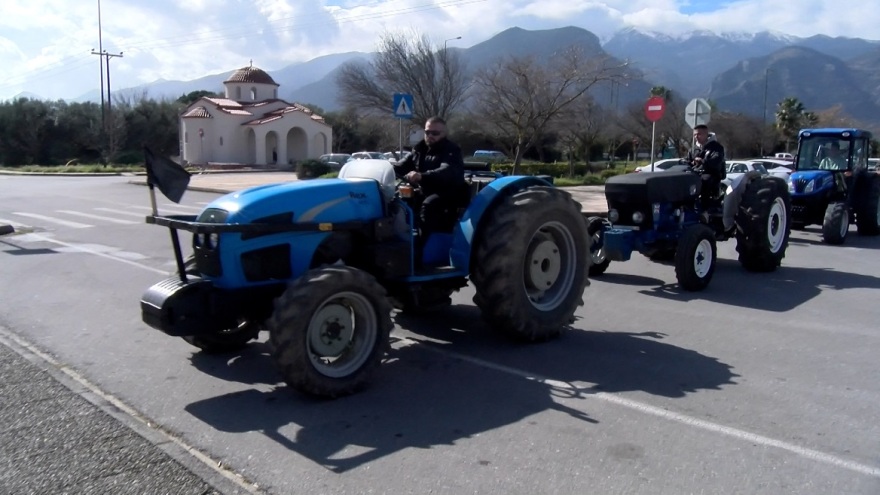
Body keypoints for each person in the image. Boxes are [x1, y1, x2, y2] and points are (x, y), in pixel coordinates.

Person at [394, 116, 466, 235]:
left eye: (435, 133)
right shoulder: (419, 149)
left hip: (448, 192)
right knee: (396, 201)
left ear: (444, 133)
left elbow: (447, 170)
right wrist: (386, 169)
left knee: (429, 204)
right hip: (424, 190)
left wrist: (422, 176)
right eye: (427, 132)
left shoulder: (452, 150)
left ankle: (422, 244)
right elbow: (401, 166)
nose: (430, 135)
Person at [686, 124, 726, 211]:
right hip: (695, 173)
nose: (696, 137)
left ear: (706, 134)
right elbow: (688, 161)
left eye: (699, 134)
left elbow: (716, 161)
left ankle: (704, 211)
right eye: (695, 135)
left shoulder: (716, 147)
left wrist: (702, 161)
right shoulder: (693, 149)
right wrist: (690, 163)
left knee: (704, 180)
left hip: (711, 174)